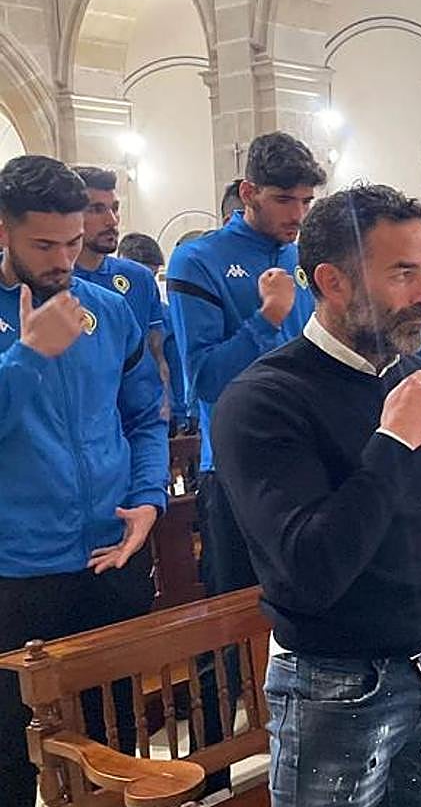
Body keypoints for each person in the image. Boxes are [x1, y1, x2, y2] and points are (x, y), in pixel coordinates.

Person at [212, 183, 421, 807]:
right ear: (334, 281)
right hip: (338, 683)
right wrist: (392, 442)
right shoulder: (262, 400)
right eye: (404, 273)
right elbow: (309, 571)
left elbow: (412, 515)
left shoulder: (405, 377)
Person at [0, 155, 167, 807]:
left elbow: (144, 417)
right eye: (45, 245)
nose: (65, 259)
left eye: (73, 242)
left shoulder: (107, 309)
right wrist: (26, 358)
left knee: (113, 732)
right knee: (10, 751)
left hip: (111, 553)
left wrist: (150, 500)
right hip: (17, 570)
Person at [167, 131, 325, 596]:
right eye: (283, 199)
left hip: (309, 454)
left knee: (308, 597)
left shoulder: (305, 255)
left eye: (306, 201)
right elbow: (206, 379)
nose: (297, 215)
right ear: (248, 192)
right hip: (240, 464)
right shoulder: (198, 259)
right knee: (239, 613)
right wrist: (267, 317)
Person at [71, 167, 170, 414]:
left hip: (136, 414)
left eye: (114, 208)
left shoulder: (138, 279)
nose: (111, 220)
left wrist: (165, 408)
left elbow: (157, 353)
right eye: (96, 209)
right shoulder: (53, 282)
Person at [119, 232, 191, 434]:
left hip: (156, 412)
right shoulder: (105, 311)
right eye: (141, 277)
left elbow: (174, 366)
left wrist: (179, 414)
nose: (148, 286)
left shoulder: (165, 315)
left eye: (152, 277)